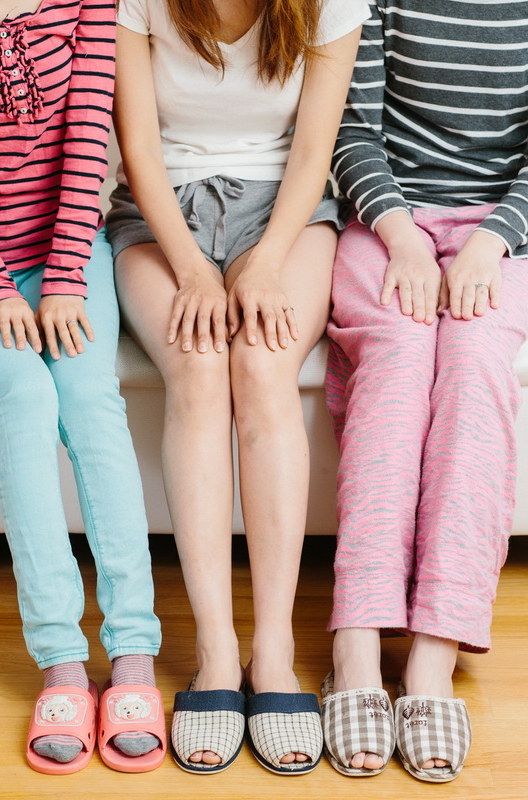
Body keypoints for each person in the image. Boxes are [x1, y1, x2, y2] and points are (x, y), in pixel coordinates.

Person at [106, 0, 368, 776]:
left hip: (285, 213)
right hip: (159, 215)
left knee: (260, 364)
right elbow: (139, 148)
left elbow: (313, 152)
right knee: (196, 366)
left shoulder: (329, 4)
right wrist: (193, 269)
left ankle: (274, 652)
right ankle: (216, 653)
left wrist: (265, 261)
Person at [321, 0, 528, 783]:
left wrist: (492, 241)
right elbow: (351, 129)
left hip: (505, 236)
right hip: (389, 222)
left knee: (474, 371)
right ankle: (357, 644)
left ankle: (433, 658)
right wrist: (401, 235)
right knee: (400, 362)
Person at [0, 0, 165, 775]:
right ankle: (61, 663)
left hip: (68, 253)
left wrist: (64, 275)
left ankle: (133, 655)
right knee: (24, 401)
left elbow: (89, 139)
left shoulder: (91, 3)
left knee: (91, 401)